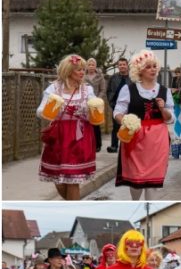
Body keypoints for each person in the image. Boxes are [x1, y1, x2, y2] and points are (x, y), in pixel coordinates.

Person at [113, 50, 174, 200]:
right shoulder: (129, 89)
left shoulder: (164, 91)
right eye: (148, 67)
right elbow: (117, 112)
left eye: (154, 66)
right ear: (139, 70)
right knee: (136, 181)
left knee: (153, 182)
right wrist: (126, 121)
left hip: (158, 140)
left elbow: (170, 119)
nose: (153, 69)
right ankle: (136, 203)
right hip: (135, 139)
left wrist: (162, 109)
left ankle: (149, 206)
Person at [37, 54, 99, 200]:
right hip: (59, 137)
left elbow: (94, 114)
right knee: (59, 181)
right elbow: (40, 111)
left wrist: (94, 110)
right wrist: (52, 109)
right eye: (79, 69)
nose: (82, 72)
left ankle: (73, 208)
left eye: (83, 69)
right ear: (69, 70)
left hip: (80, 137)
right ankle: (72, 205)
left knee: (73, 180)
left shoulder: (87, 90)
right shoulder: (54, 88)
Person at [105, 58, 130, 153]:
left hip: (129, 106)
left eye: (124, 64)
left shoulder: (132, 78)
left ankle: (127, 145)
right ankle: (114, 146)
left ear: (127, 65)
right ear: (118, 66)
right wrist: (111, 103)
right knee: (116, 127)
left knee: (128, 126)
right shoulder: (113, 78)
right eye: (120, 65)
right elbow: (109, 91)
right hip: (116, 106)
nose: (122, 66)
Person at [85, 58, 107, 153]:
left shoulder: (100, 77)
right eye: (89, 65)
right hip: (85, 103)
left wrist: (97, 100)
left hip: (96, 103)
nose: (91, 66)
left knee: (96, 125)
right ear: (87, 66)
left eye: (93, 65)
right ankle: (87, 143)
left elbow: (103, 90)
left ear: (95, 66)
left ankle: (98, 144)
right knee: (86, 124)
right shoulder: (83, 76)